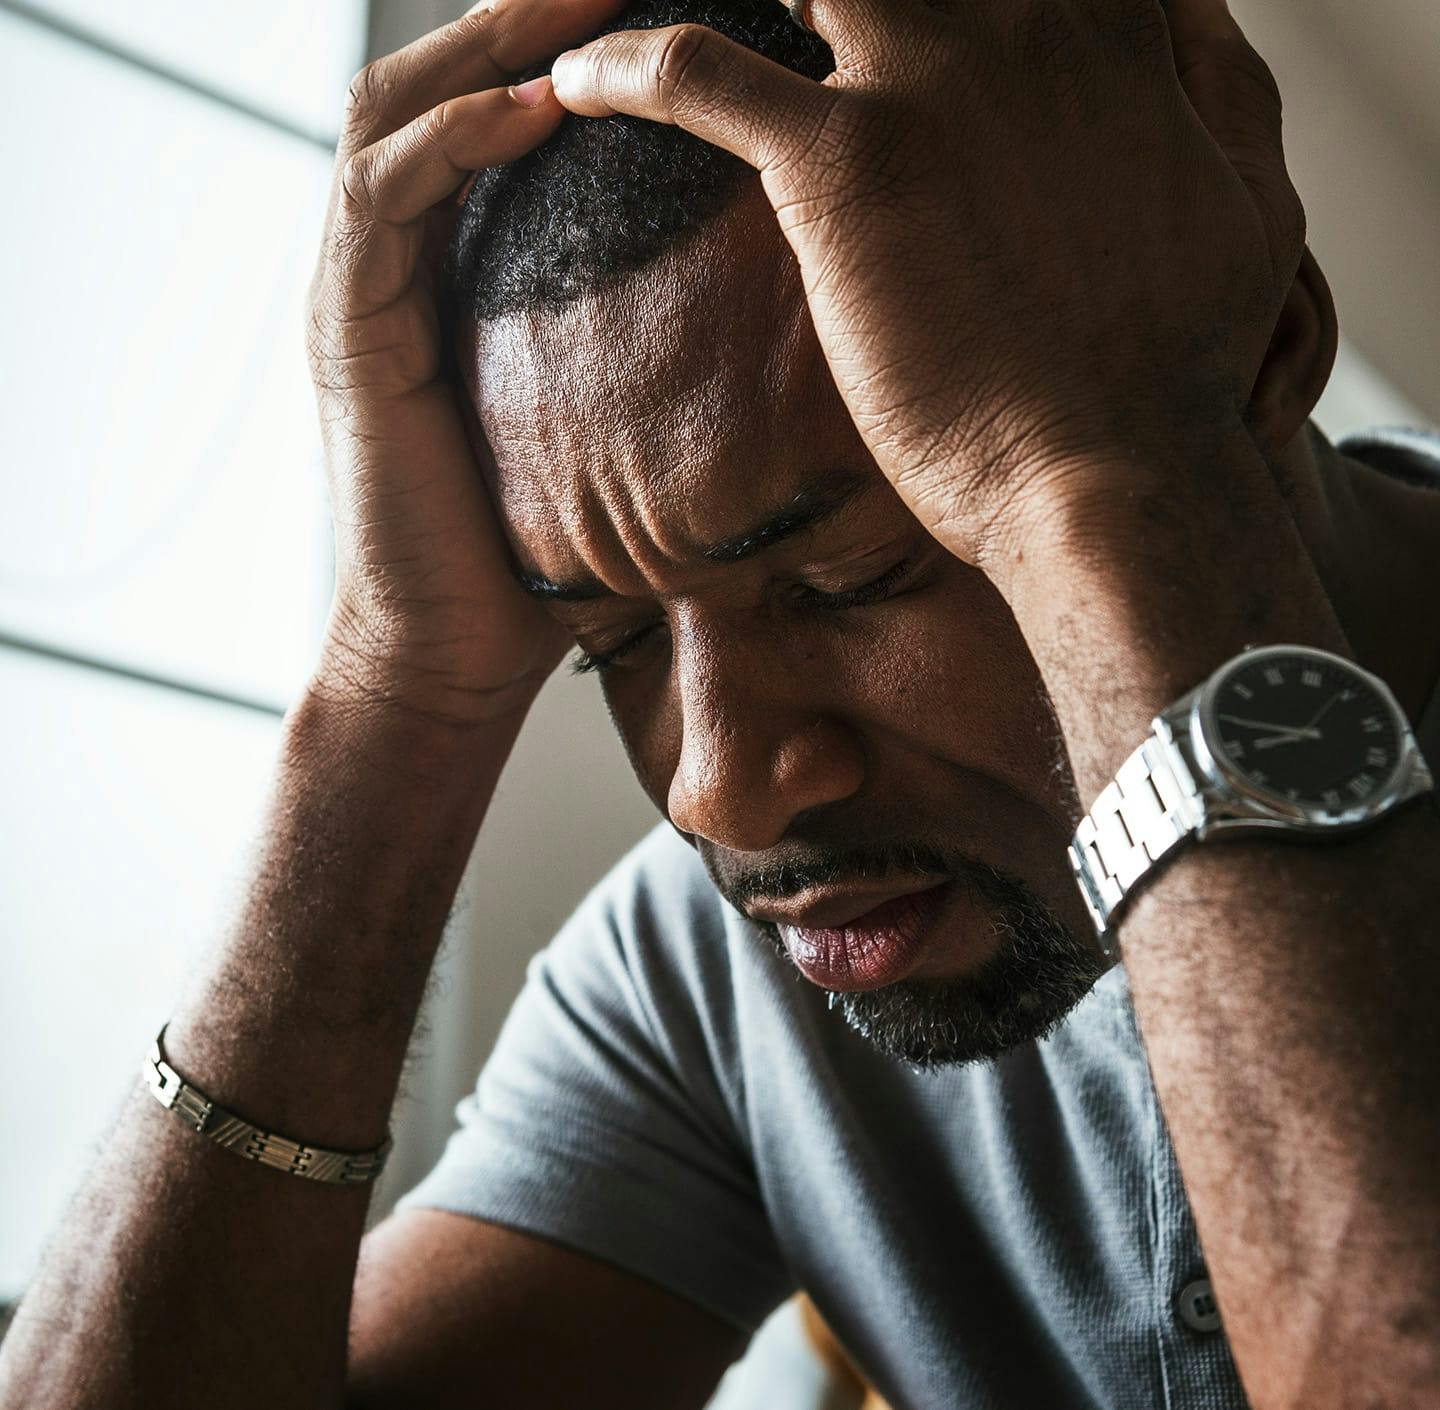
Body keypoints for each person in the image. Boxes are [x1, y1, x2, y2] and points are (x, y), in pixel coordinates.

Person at [2, 0, 1437, 1406]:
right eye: (612, 642)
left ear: (1262, 351)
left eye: (855, 578)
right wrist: (397, 693)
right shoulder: (724, 971)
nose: (722, 790)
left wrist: (1110, 481)